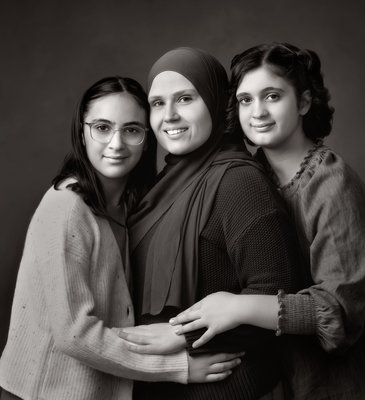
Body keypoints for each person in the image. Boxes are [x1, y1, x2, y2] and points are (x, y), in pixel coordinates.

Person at [170, 42, 365, 399]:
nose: (257, 111)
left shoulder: (332, 184)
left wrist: (237, 306)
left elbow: (339, 315)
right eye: (245, 100)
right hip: (278, 377)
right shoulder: (249, 174)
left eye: (272, 96)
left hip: (343, 383)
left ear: (305, 102)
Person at [0, 76, 243, 400]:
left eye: (131, 130)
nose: (116, 143)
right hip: (43, 390)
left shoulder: (129, 206)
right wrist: (177, 367)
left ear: (147, 138)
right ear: (82, 133)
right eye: (102, 128)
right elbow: (75, 333)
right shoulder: (67, 206)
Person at [121, 47, 302, 400]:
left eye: (185, 99)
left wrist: (183, 335)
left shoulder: (239, 183)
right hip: (164, 385)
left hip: (230, 388)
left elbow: (280, 299)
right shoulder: (161, 185)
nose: (169, 116)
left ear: (218, 104)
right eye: (157, 103)